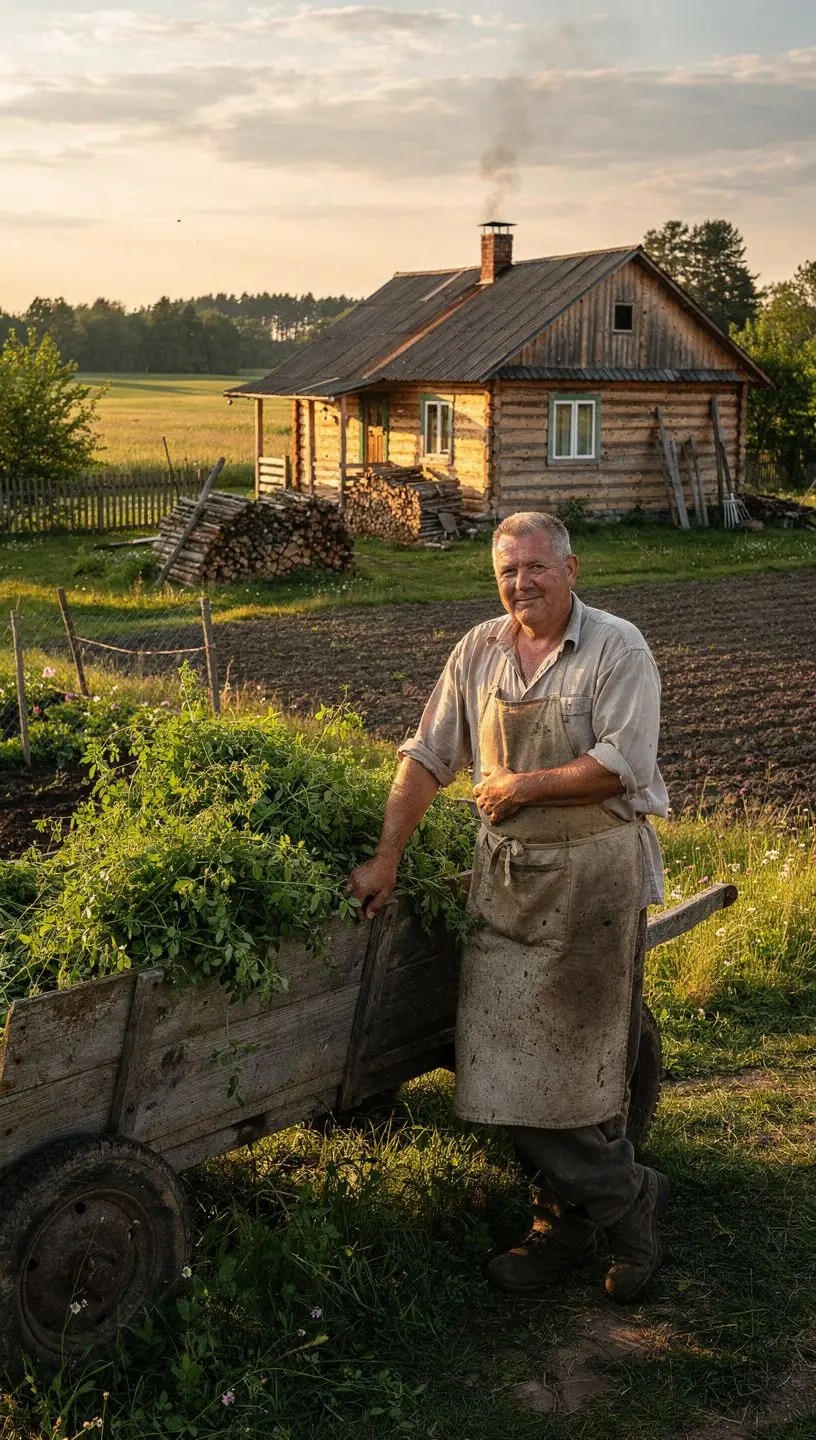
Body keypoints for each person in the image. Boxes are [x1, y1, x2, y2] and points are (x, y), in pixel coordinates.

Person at [347, 511, 670, 1302]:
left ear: (571, 569)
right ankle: (627, 1198)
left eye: (535, 567)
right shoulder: (479, 650)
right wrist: (386, 856)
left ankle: (571, 1225)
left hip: (593, 878)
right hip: (508, 882)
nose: (521, 583)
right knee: (495, 1069)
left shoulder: (616, 647)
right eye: (507, 570)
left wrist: (521, 785)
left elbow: (620, 764)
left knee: (578, 1068)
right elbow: (427, 756)